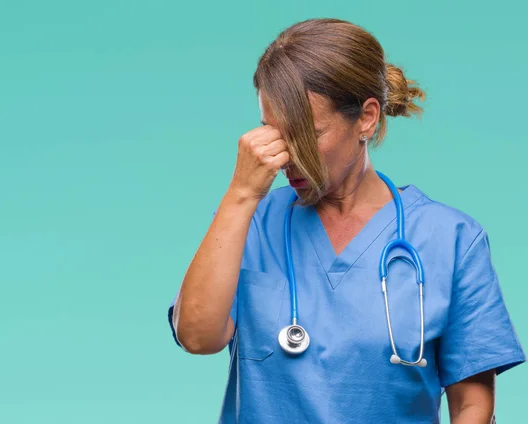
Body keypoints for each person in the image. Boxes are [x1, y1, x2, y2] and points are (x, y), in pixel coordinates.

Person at [167, 18, 525, 423]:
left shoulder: (452, 240)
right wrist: (240, 195)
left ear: (366, 118)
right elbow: (197, 337)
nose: (289, 156)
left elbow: (472, 403)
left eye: (309, 134)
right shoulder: (247, 222)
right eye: (275, 133)